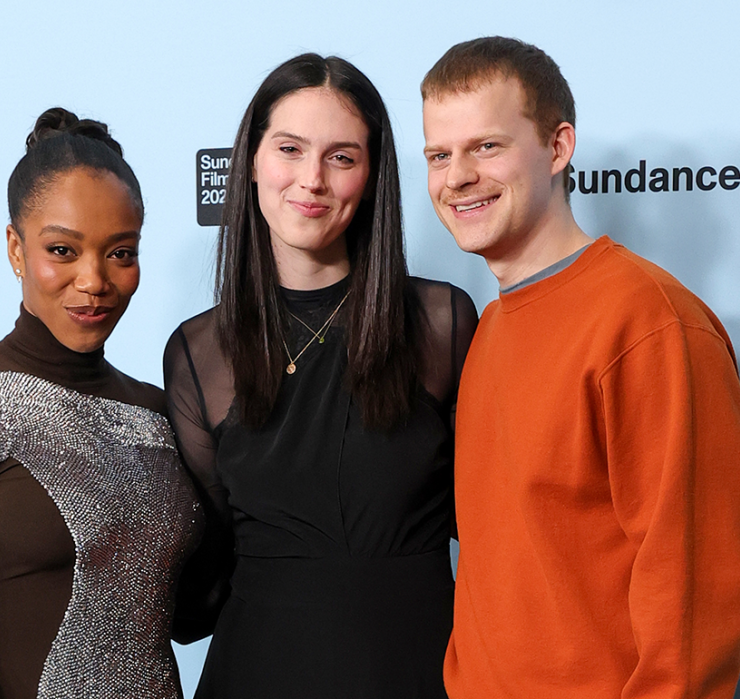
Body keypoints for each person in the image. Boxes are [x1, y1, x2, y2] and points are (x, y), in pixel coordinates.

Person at [420, 37, 740, 699]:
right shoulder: (489, 329)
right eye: (440, 153)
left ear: (557, 147)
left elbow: (691, 600)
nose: (457, 175)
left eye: (486, 146)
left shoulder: (650, 322)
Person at [163, 53, 477, 699]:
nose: (312, 180)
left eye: (341, 156)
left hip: (420, 668)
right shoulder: (200, 353)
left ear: (371, 174)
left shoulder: (441, 322)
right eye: (289, 149)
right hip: (256, 671)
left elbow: (493, 534)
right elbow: (205, 564)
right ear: (251, 160)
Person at [0, 107, 204, 699]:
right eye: (62, 250)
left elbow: (192, 614)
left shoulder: (163, 413)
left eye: (121, 252)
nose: (94, 281)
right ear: (15, 248)